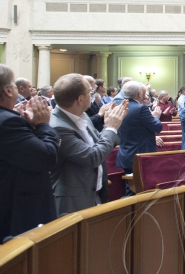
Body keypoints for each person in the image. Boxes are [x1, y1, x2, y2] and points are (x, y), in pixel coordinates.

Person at [50, 75, 128, 214]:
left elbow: (99, 142)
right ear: (80, 99)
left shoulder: (82, 115)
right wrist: (111, 128)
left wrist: (111, 125)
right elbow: (92, 157)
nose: (93, 95)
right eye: (90, 92)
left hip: (94, 192)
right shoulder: (58, 127)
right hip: (73, 200)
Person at [0, 65, 59, 242]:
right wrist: (43, 125)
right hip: (17, 210)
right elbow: (46, 157)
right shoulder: (9, 123)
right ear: (8, 91)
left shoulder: (9, 120)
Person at [116, 82, 164, 194]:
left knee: (131, 188)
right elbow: (157, 127)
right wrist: (156, 117)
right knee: (139, 190)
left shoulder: (121, 106)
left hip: (126, 153)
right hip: (140, 155)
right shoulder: (140, 109)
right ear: (139, 93)